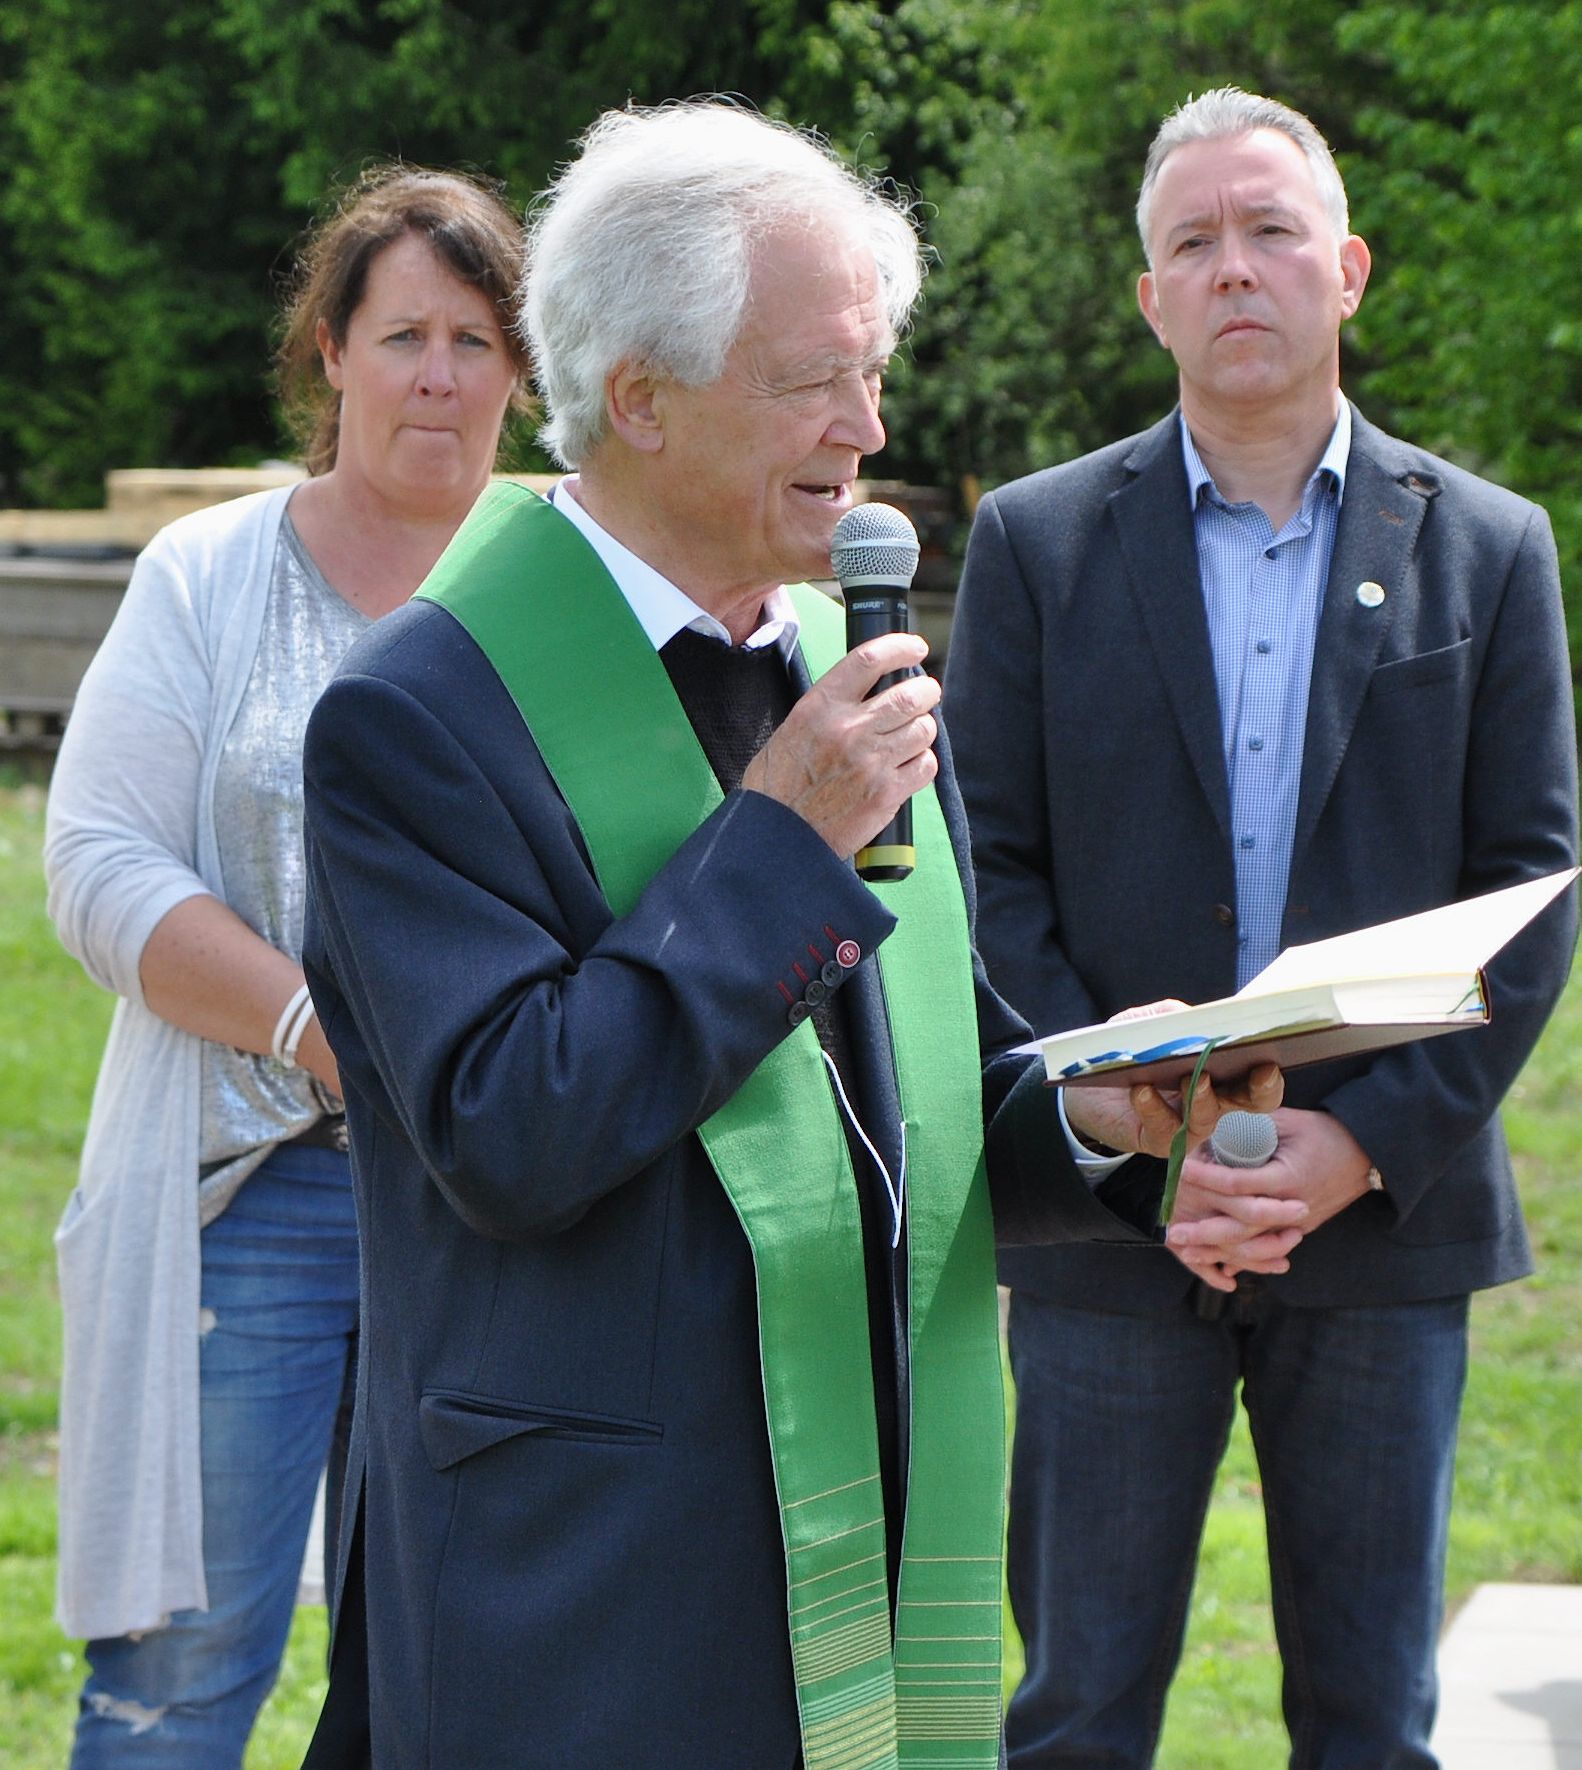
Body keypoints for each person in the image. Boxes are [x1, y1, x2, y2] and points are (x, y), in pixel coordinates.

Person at [294, 100, 1292, 1770]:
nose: (867, 426)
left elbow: (912, 1097)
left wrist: (1097, 1111)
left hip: (862, 1504)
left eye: (873, 371)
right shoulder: (418, 713)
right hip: (593, 1580)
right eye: (814, 378)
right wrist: (776, 840)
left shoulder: (845, 663)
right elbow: (515, 1131)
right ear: (639, 397)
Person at [943, 87, 1580, 1769]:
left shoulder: (1490, 549)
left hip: (1377, 1225)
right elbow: (985, 870)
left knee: (1372, 1722)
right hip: (1108, 1230)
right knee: (1074, 1717)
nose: (1234, 267)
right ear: (1148, 296)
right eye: (1193, 242)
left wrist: (1349, 1149)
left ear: (1345, 269)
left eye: (1270, 231)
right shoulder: (1033, 544)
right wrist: (1143, 1129)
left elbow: (1527, 895)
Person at [43, 164, 534, 1767]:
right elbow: (100, 863)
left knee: (463, 1674)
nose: (439, 376)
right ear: (330, 352)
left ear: (521, 370)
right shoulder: (207, 573)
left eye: (475, 339)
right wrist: (324, 1028)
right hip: (252, 1200)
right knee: (182, 1680)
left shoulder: (570, 586)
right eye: (402, 335)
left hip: (499, 1214)